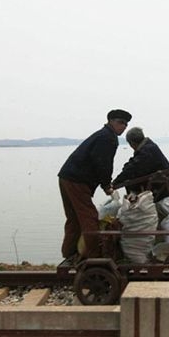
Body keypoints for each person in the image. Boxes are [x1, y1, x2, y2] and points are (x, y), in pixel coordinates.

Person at [58, 109, 131, 259]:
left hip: (67, 177)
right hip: (77, 180)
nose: (123, 127)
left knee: (74, 218)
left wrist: (105, 183)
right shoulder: (108, 138)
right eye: (120, 122)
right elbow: (103, 164)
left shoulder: (103, 134)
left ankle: (69, 253)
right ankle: (94, 256)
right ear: (111, 121)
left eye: (125, 124)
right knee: (89, 217)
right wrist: (106, 185)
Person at [112, 127, 169, 202]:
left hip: (164, 189)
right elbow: (133, 165)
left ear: (132, 143)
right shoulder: (149, 147)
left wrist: (115, 183)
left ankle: (135, 205)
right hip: (168, 185)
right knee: (132, 178)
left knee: (129, 181)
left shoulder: (146, 151)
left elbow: (131, 169)